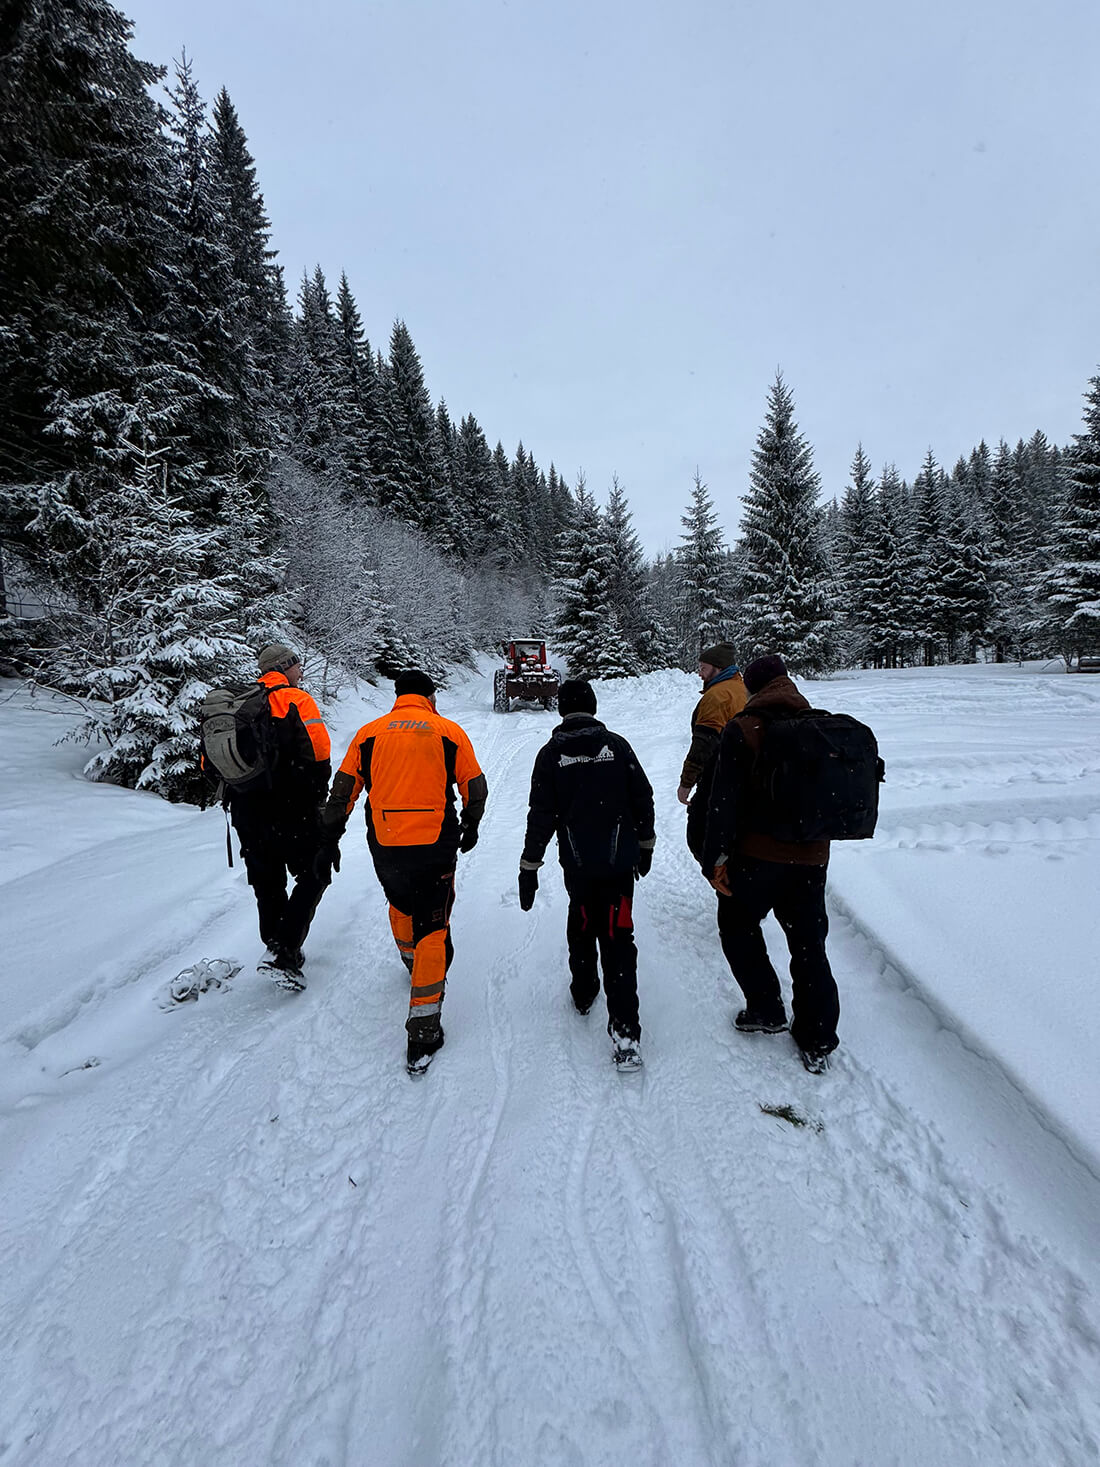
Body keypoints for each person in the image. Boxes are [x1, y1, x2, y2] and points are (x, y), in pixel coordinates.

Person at [321, 669, 487, 1076]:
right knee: (434, 924)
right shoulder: (447, 731)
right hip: (435, 843)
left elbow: (342, 789)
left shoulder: (368, 734)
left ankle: (411, 960)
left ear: (397, 696)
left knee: (399, 902)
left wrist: (329, 836)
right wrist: (472, 825)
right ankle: (424, 1029)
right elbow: (476, 786)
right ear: (430, 695)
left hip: (386, 842)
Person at [700, 654, 840, 1073]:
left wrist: (714, 861)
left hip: (756, 857)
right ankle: (817, 1037)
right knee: (808, 943)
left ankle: (765, 1006)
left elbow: (722, 804)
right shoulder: (818, 725)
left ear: (754, 689)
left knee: (738, 926)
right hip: (811, 859)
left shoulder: (744, 729)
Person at [518, 679, 656, 1071]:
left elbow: (540, 815)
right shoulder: (617, 746)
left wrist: (529, 865)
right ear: (593, 707)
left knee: (581, 921)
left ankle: (583, 991)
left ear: (562, 710)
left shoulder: (550, 755)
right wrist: (645, 845)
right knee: (617, 936)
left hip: (577, 865)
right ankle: (626, 1031)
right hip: (617, 864)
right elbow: (642, 798)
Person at [217, 643, 332, 991]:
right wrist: (318, 801)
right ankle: (283, 952)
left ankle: (280, 951)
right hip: (291, 808)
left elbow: (212, 766)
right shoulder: (296, 700)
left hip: (246, 812)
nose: (300, 670)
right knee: (315, 873)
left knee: (267, 882)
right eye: (296, 664)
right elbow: (319, 754)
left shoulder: (237, 705)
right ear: (285, 667)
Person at [676, 642, 747, 807]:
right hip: (742, 774)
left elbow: (704, 742)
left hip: (720, 775)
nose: (700, 674)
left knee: (703, 827)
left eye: (703, 668)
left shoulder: (717, 696)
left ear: (719, 668)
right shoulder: (742, 688)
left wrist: (687, 782)